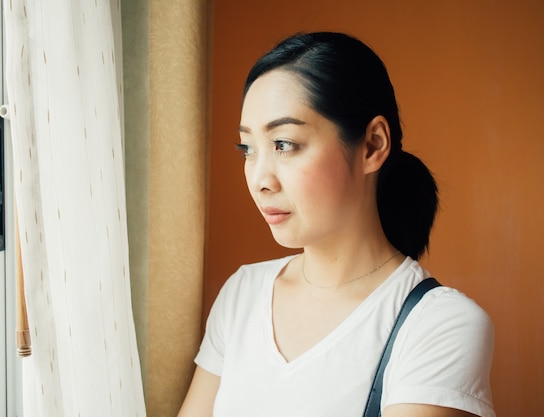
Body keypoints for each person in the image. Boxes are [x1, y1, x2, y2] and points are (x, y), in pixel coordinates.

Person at [178, 32, 495, 417]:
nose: (261, 179)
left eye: (284, 144)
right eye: (248, 149)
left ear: (373, 145)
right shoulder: (243, 294)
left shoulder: (438, 325)